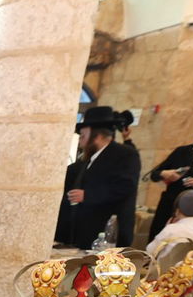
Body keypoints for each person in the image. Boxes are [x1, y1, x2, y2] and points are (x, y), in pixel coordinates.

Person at [54, 105, 142, 250]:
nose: (80, 140)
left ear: (97, 135)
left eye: (83, 136)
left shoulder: (125, 154)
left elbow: (125, 186)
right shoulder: (88, 160)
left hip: (107, 232)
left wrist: (88, 195)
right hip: (84, 233)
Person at [144, 189, 193, 258]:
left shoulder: (171, 229)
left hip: (166, 269)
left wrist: (167, 227)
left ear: (177, 210)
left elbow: (150, 250)